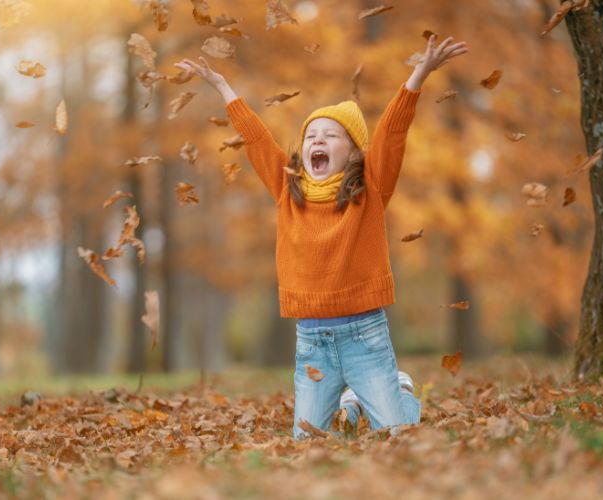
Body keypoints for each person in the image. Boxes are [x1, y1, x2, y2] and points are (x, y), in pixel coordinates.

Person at [176, 34, 468, 439]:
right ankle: (350, 406)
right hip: (313, 341)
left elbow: (391, 134)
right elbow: (257, 141)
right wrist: (224, 87)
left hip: (365, 335)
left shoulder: (370, 189)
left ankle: (398, 392)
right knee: (306, 442)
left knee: (396, 437)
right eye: (312, 135)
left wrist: (418, 75)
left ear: (352, 152)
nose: (317, 140)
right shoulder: (286, 189)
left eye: (331, 136)